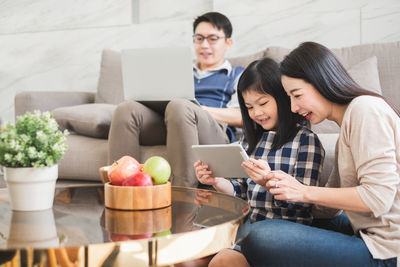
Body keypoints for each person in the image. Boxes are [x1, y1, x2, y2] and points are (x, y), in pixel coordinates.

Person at [241, 42, 400, 266]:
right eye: (289, 98)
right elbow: (327, 209)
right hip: (365, 233)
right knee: (271, 227)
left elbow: (378, 198)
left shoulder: (365, 109)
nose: (294, 108)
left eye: (297, 95)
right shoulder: (346, 124)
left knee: (257, 236)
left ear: (321, 81)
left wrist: (305, 192)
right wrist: (273, 184)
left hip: (388, 250)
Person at [194, 57, 325, 267]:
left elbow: (302, 206)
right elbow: (240, 192)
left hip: (281, 234)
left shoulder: (306, 142)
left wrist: (268, 182)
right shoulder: (251, 140)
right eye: (249, 107)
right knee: (186, 259)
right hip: (246, 227)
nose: (257, 113)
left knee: (223, 262)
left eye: (263, 103)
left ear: (282, 97)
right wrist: (216, 180)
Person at [108, 12, 244, 188]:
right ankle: (121, 189)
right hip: (173, 121)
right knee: (126, 109)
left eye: (212, 39)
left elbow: (241, 116)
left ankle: (184, 195)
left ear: (228, 43)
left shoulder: (237, 74)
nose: (204, 45)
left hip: (213, 130)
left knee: (180, 105)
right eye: (199, 38)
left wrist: (197, 109)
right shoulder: (179, 70)